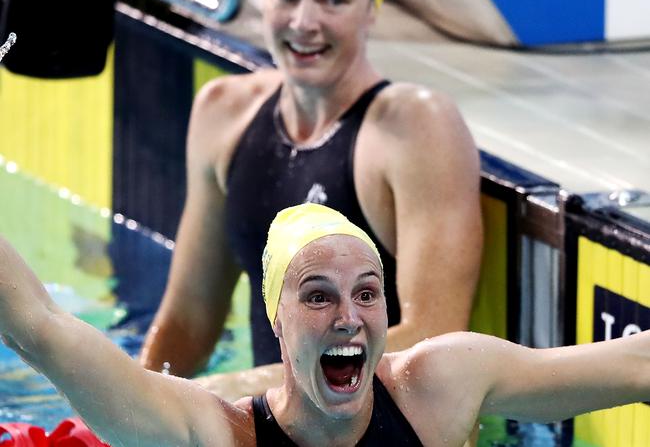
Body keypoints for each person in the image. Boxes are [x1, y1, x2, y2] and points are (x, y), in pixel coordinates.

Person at [1, 203, 650, 447]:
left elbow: (637, 363)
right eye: (317, 296)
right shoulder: (216, 434)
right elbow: (42, 327)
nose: (349, 317)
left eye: (367, 293)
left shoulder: (438, 387)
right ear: (275, 321)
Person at [139, 0, 484, 398]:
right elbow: (188, 320)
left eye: (333, 0)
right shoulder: (224, 112)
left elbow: (431, 344)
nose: (304, 23)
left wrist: (235, 390)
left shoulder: (414, 129)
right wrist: (127, 414)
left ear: (371, 8)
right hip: (270, 424)